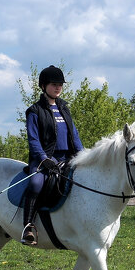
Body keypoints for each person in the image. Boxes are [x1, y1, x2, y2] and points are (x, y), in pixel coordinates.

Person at [21, 65, 84, 245]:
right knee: (35, 183)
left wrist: (83, 156)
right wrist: (44, 159)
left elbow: (74, 135)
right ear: (43, 86)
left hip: (68, 158)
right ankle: (28, 226)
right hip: (44, 160)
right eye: (53, 84)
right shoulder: (34, 111)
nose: (58, 88)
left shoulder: (64, 108)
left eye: (60, 85)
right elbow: (33, 140)